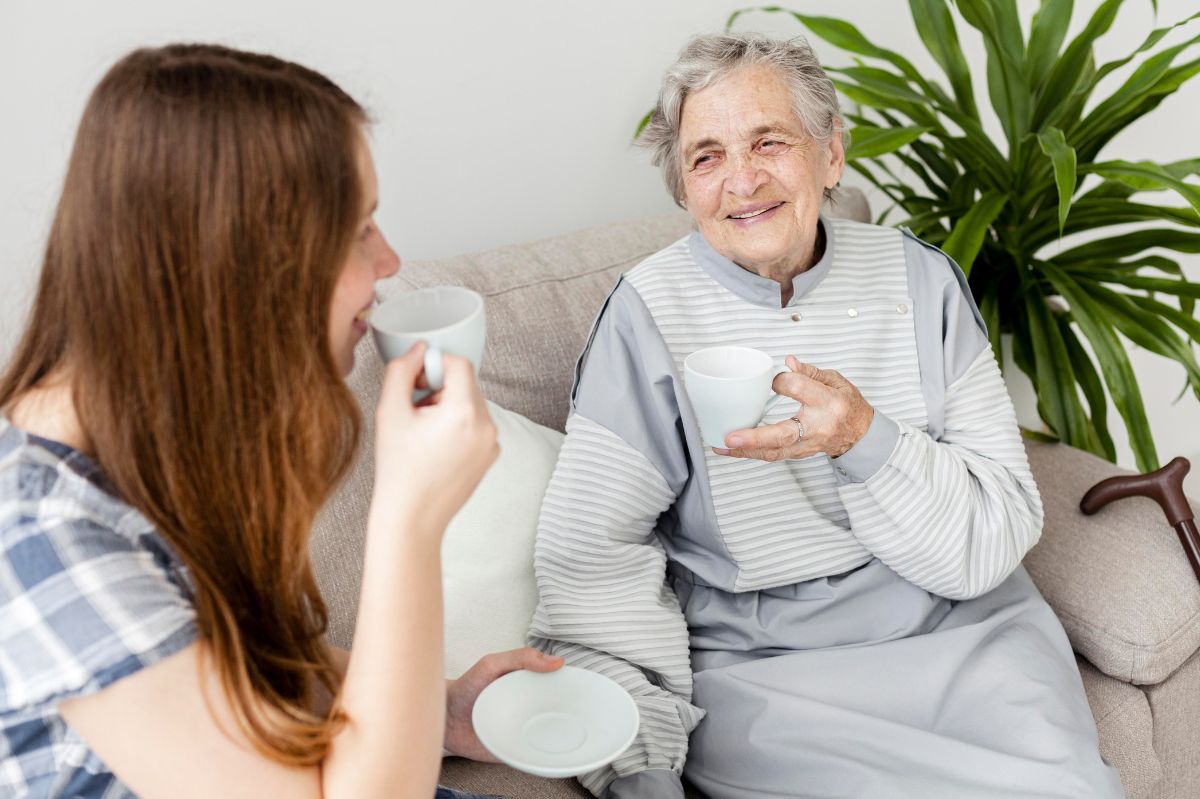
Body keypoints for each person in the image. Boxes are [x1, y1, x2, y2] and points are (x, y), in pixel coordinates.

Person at [528, 32, 1125, 798]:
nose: (741, 180)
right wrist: (640, 762)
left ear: (831, 156)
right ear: (682, 187)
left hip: (965, 635)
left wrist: (865, 440)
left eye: (769, 141)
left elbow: (996, 528)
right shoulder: (647, 313)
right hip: (769, 670)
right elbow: (592, 560)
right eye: (706, 157)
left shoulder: (922, 281)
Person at [0, 44, 561, 799]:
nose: (390, 261)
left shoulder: (163, 437)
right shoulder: (41, 533)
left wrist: (445, 710)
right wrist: (409, 515)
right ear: (244, 266)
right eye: (358, 229)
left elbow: (245, 662)